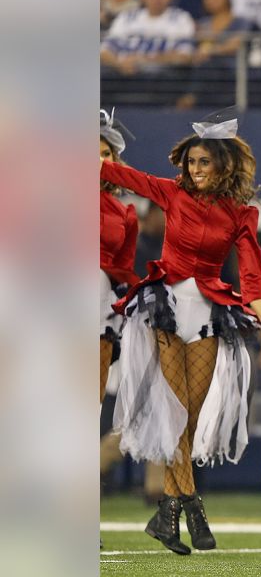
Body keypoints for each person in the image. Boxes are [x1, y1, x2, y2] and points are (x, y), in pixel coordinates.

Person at [102, 111, 261, 556]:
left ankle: (168, 512)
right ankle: (192, 507)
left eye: (204, 163)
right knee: (177, 410)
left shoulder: (242, 213)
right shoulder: (170, 192)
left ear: (223, 165)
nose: (195, 170)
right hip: (164, 306)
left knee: (192, 415)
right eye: (191, 163)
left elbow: (252, 273)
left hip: (209, 310)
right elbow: (112, 170)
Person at [99, 110, 139, 405]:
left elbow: (123, 269)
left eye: (105, 153)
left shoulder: (125, 214)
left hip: (102, 312)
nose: (99, 160)